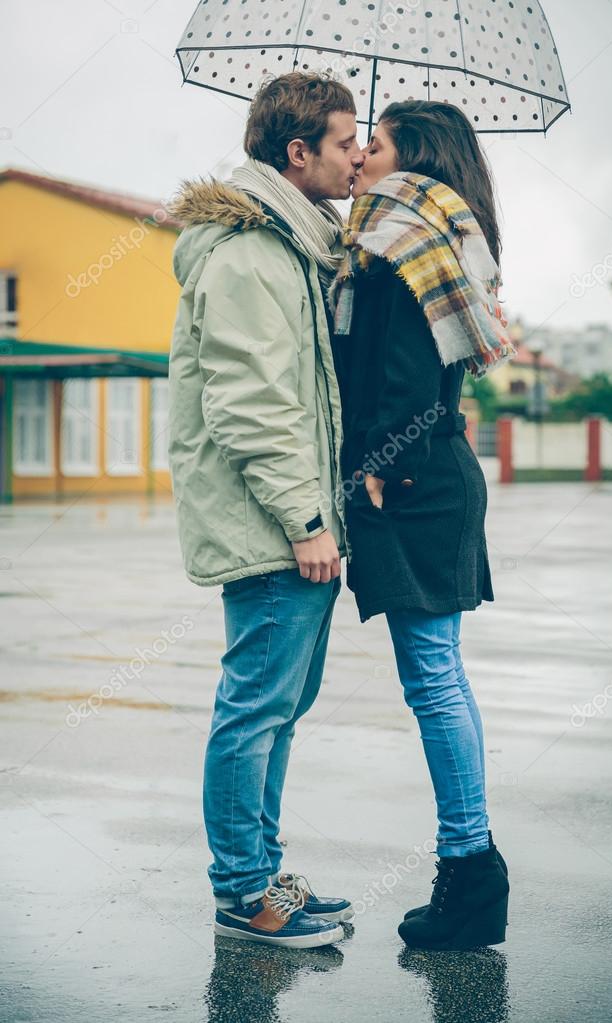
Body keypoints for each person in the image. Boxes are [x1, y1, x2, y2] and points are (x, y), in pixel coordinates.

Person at [167, 73, 364, 948]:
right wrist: (305, 519)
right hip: (271, 527)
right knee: (253, 712)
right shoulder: (251, 254)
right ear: (298, 153)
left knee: (275, 710)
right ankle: (243, 892)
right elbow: (251, 406)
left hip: (286, 523)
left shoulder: (293, 246)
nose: (359, 155)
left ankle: (261, 875)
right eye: (344, 141)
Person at [329, 100, 516, 951]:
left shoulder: (398, 241)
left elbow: (403, 376)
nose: (363, 153)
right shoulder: (436, 234)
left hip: (414, 482)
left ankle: (469, 873)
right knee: (441, 676)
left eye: (379, 141)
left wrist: (377, 464)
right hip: (436, 471)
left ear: (415, 157)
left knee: (434, 680)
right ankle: (470, 871)